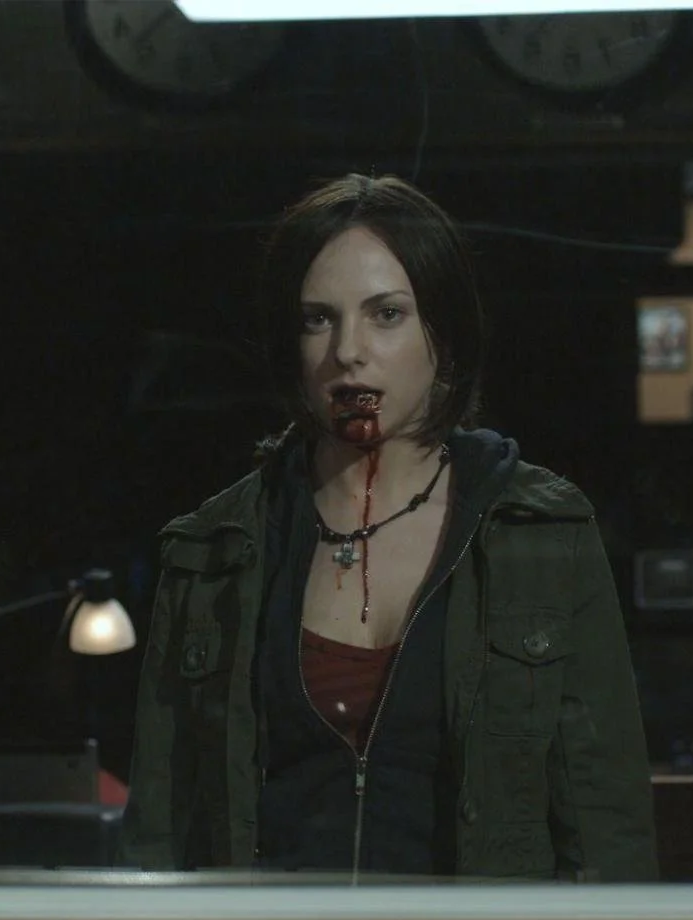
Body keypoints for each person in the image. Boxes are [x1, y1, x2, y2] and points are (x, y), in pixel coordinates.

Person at [120, 174, 658, 882]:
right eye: (318, 319)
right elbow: (160, 828)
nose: (348, 350)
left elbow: (607, 826)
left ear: (443, 332)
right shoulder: (213, 551)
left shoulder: (540, 536)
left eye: (386, 314)